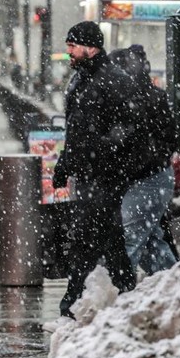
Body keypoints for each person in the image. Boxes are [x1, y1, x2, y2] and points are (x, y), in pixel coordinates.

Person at [46, 22, 137, 331]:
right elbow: (76, 133)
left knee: (86, 239)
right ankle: (128, 294)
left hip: (106, 175)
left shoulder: (112, 80)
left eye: (73, 45)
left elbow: (129, 127)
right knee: (110, 241)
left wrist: (103, 148)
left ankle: (70, 306)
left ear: (91, 46)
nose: (68, 50)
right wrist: (64, 164)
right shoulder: (80, 79)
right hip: (89, 174)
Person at [109, 45, 178, 276]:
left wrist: (141, 161)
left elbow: (165, 140)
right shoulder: (145, 97)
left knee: (129, 240)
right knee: (150, 242)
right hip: (149, 176)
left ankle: (115, 294)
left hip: (147, 178)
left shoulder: (138, 100)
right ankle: (173, 283)